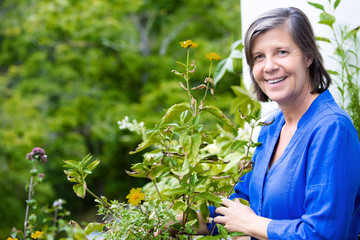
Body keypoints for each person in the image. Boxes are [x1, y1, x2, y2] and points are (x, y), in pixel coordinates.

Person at [207, 7, 360, 240]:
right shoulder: (271, 126)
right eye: (259, 56)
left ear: (308, 56)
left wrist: (253, 224)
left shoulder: (332, 129)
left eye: (281, 52)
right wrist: (182, 218)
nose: (269, 66)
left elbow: (324, 234)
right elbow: (242, 204)